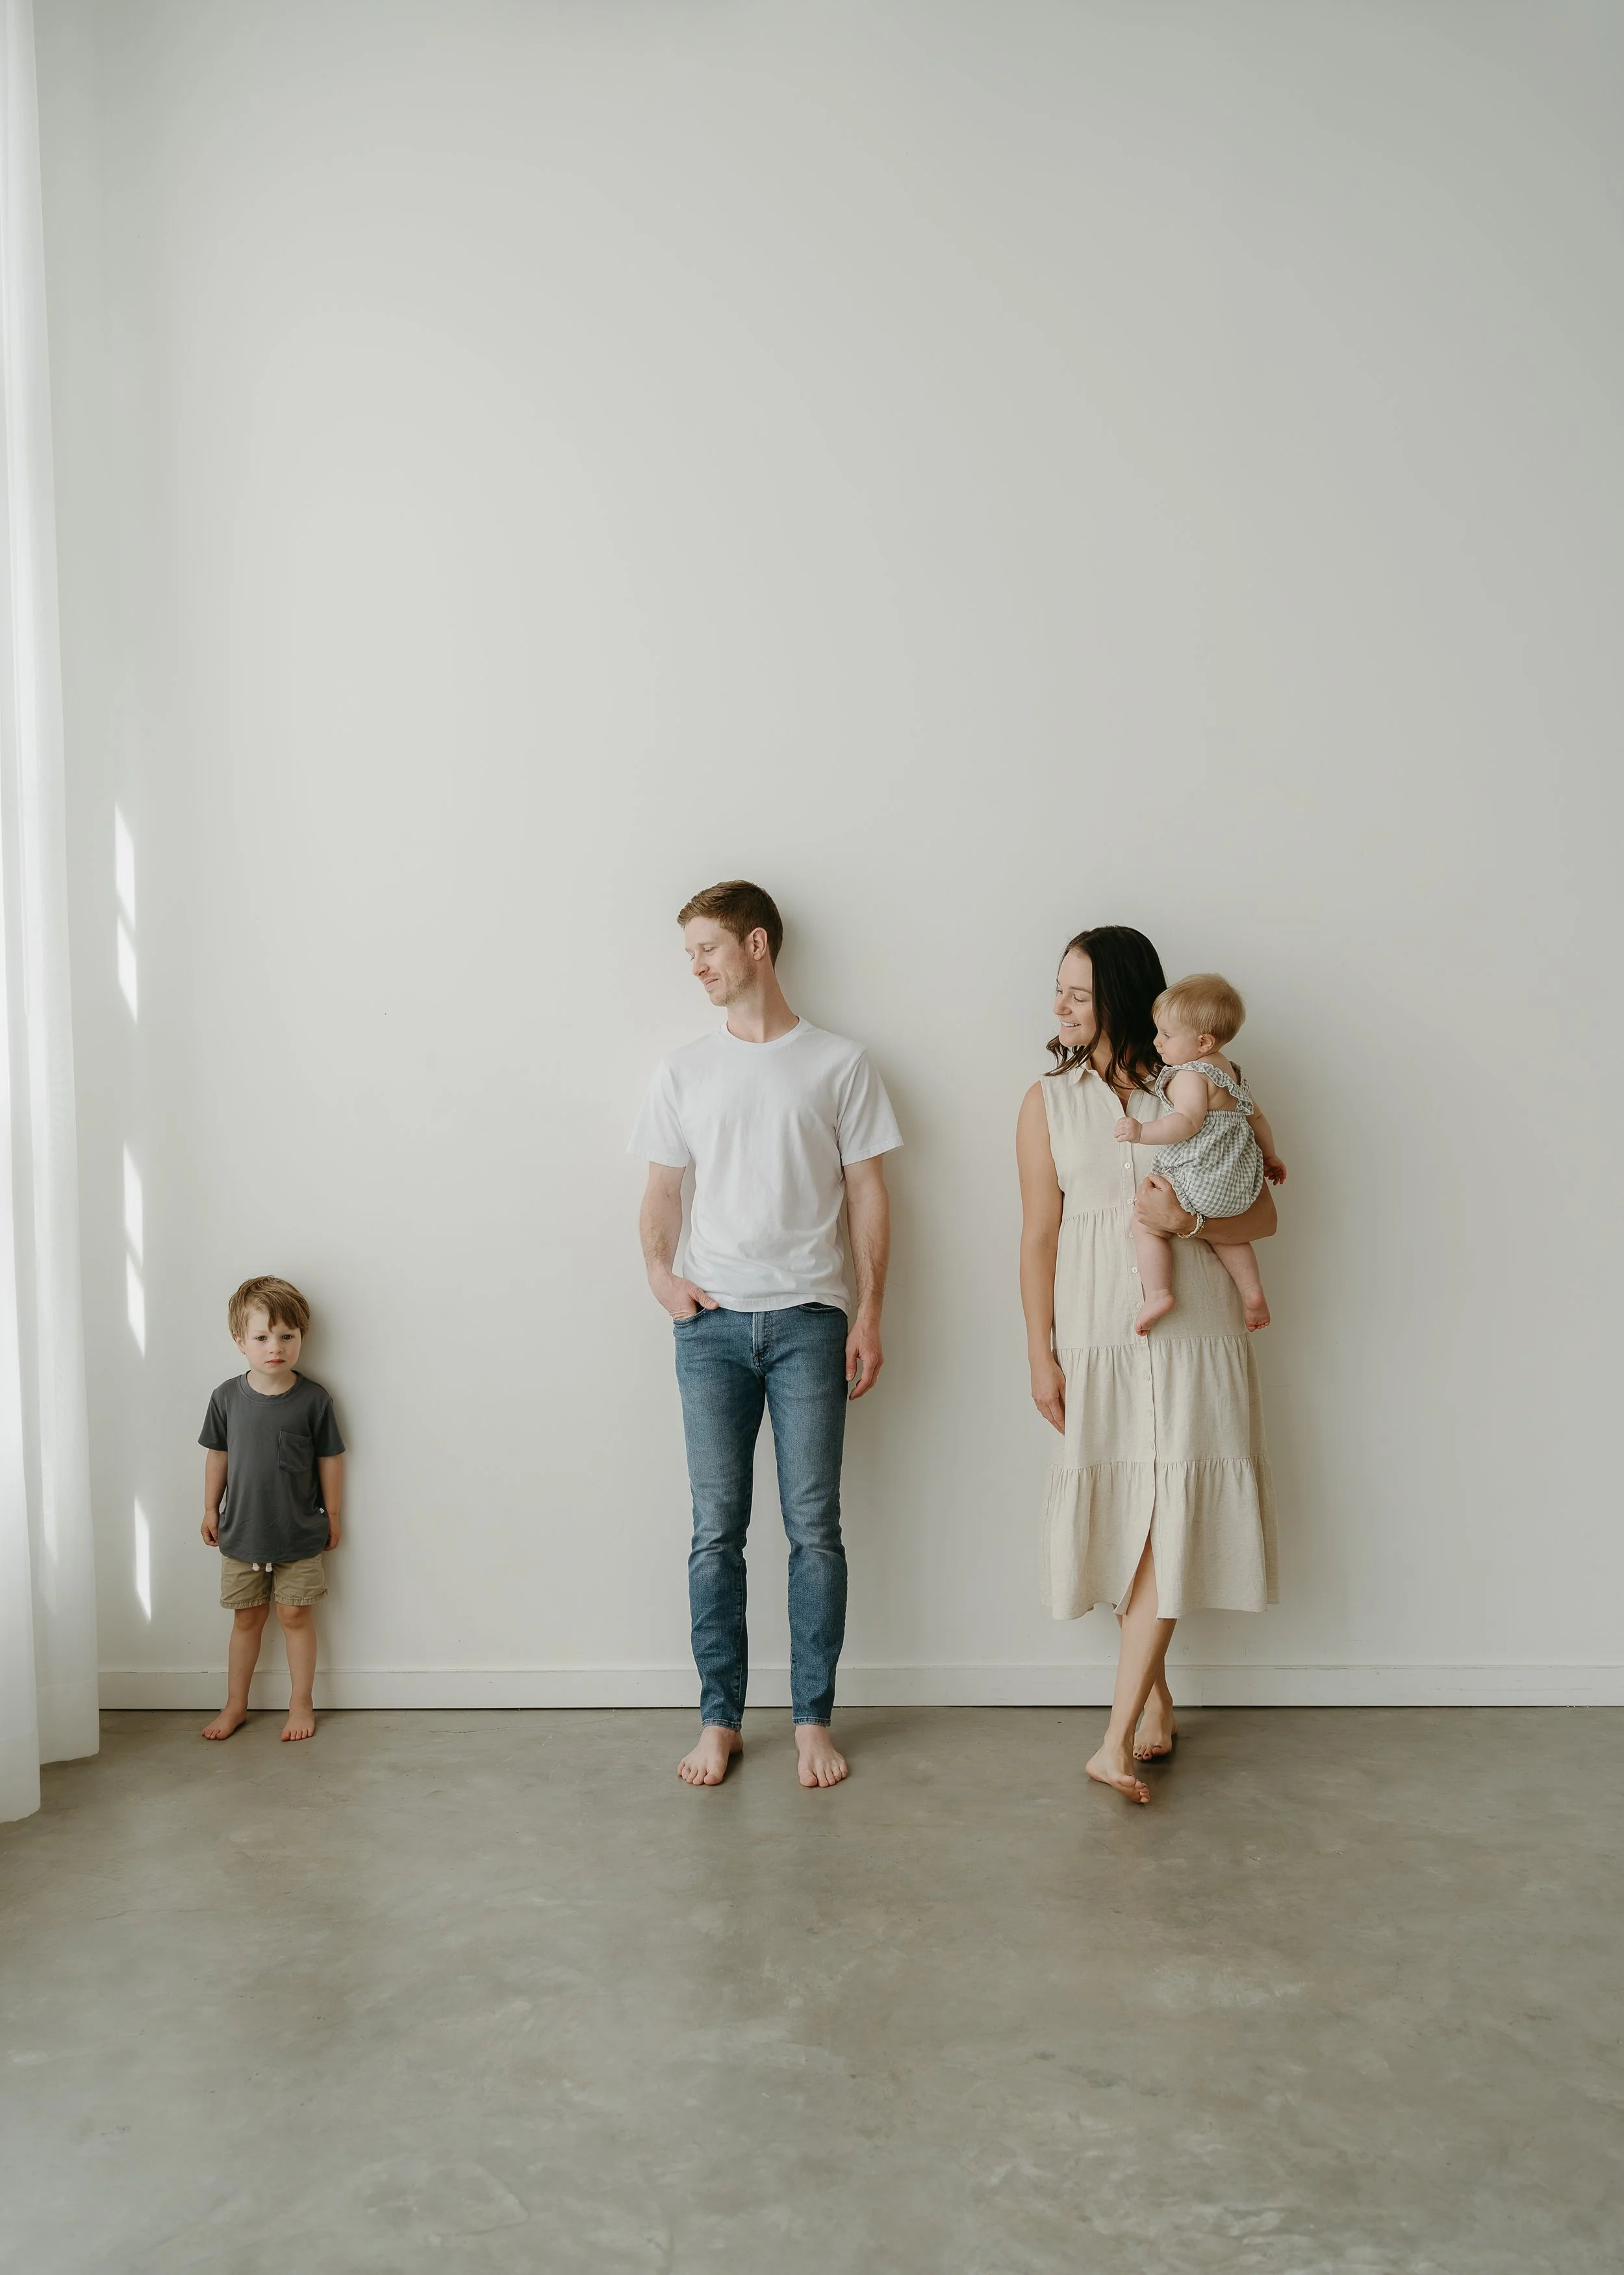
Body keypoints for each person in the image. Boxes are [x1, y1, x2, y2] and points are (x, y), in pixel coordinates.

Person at [630, 880, 902, 1790]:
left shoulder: (840, 1062)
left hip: (810, 1322)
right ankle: (720, 1721)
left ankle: (812, 1722)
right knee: (716, 1531)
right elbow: (664, 1189)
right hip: (708, 1326)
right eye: (689, 955)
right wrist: (661, 1278)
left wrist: (868, 1311)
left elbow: (869, 1190)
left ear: (756, 943)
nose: (698, 967)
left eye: (707, 948)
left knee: (813, 1529)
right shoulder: (684, 1069)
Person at [1016, 927, 1278, 1804]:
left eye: (1079, 993)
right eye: (1060, 991)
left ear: (1124, 996)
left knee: (1170, 1508)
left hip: (1195, 1324)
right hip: (1099, 1329)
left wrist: (1188, 1228)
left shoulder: (1200, 1089)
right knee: (1120, 1508)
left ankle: (1115, 1736)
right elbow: (1039, 1236)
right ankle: (1156, 1695)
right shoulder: (1044, 1102)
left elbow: (1263, 1218)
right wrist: (1038, 1351)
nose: (1061, 1007)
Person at [198, 1277, 346, 1743]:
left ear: (302, 1337)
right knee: (246, 1619)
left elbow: (331, 1459)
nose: (275, 1348)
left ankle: (301, 1700)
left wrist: (334, 1516)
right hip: (241, 1533)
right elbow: (217, 1455)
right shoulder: (226, 1398)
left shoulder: (314, 1400)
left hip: (300, 1535)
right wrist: (209, 1508)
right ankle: (235, 1704)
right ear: (240, 1342)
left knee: (295, 1618)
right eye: (262, 1337)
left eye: (287, 1337)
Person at [1118, 972, 1286, 1336]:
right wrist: (1271, 1157)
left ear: (1203, 1041)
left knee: (1145, 1222)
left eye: (1166, 1034)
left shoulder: (1190, 1074)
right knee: (1227, 1235)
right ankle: (1252, 1291)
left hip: (1199, 1177)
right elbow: (1257, 1117)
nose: (1157, 1042)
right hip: (1238, 1184)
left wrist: (1142, 1131)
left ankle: (1159, 1294)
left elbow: (1187, 1122)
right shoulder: (1231, 1073)